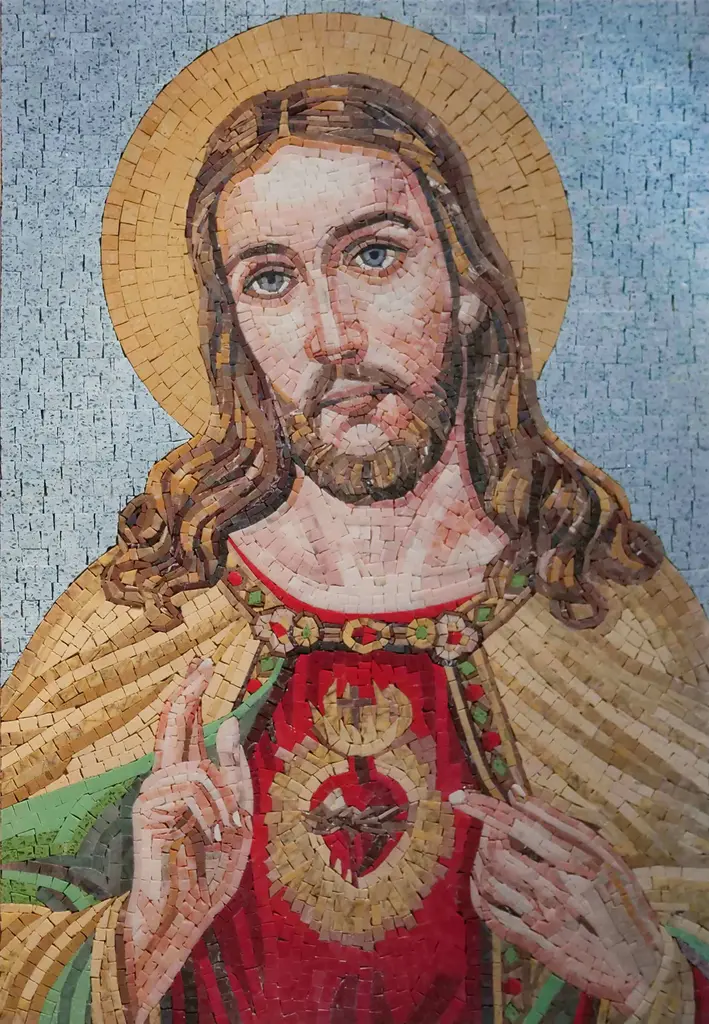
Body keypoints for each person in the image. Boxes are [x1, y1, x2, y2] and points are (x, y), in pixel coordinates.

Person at [3, 77, 708, 1024]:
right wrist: (136, 944)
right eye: (270, 278)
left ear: (465, 287)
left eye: (374, 255)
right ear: (236, 330)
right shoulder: (149, 613)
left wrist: (653, 977)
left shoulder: (603, 609)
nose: (331, 335)